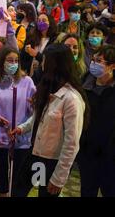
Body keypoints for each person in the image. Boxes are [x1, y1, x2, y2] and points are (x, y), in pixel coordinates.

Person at [13, 43, 88, 197]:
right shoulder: (49, 88)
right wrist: (23, 128)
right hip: (37, 155)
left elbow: (71, 143)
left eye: (45, 59)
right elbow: (38, 118)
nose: (42, 63)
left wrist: (59, 178)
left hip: (51, 162)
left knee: (45, 193)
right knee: (19, 190)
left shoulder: (71, 99)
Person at [0, 47, 36, 197]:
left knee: (18, 177)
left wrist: (36, 104)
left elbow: (35, 108)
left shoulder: (27, 82)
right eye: (10, 60)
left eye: (16, 61)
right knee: (1, 173)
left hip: (21, 137)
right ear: (1, 62)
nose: (13, 64)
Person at [78, 45, 115, 197]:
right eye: (93, 60)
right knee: (87, 190)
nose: (94, 63)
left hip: (111, 153)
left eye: (99, 61)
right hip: (88, 151)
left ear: (112, 65)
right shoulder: (85, 83)